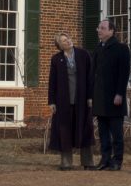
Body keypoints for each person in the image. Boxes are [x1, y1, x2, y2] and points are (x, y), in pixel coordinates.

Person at [47, 32, 96, 171]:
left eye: (67, 38)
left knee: (85, 129)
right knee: (64, 131)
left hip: (82, 100)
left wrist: (91, 97)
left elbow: (90, 78)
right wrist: (52, 101)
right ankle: (66, 163)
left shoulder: (83, 54)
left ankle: (88, 162)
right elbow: (52, 82)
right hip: (63, 101)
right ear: (59, 46)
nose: (67, 41)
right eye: (63, 41)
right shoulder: (56, 59)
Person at [92, 19, 131, 171]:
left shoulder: (121, 49)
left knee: (116, 133)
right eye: (98, 28)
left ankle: (117, 161)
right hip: (100, 98)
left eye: (102, 28)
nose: (99, 30)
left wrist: (120, 93)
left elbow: (124, 73)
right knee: (102, 133)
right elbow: (93, 74)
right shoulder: (98, 48)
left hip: (115, 97)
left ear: (111, 31)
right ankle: (105, 159)